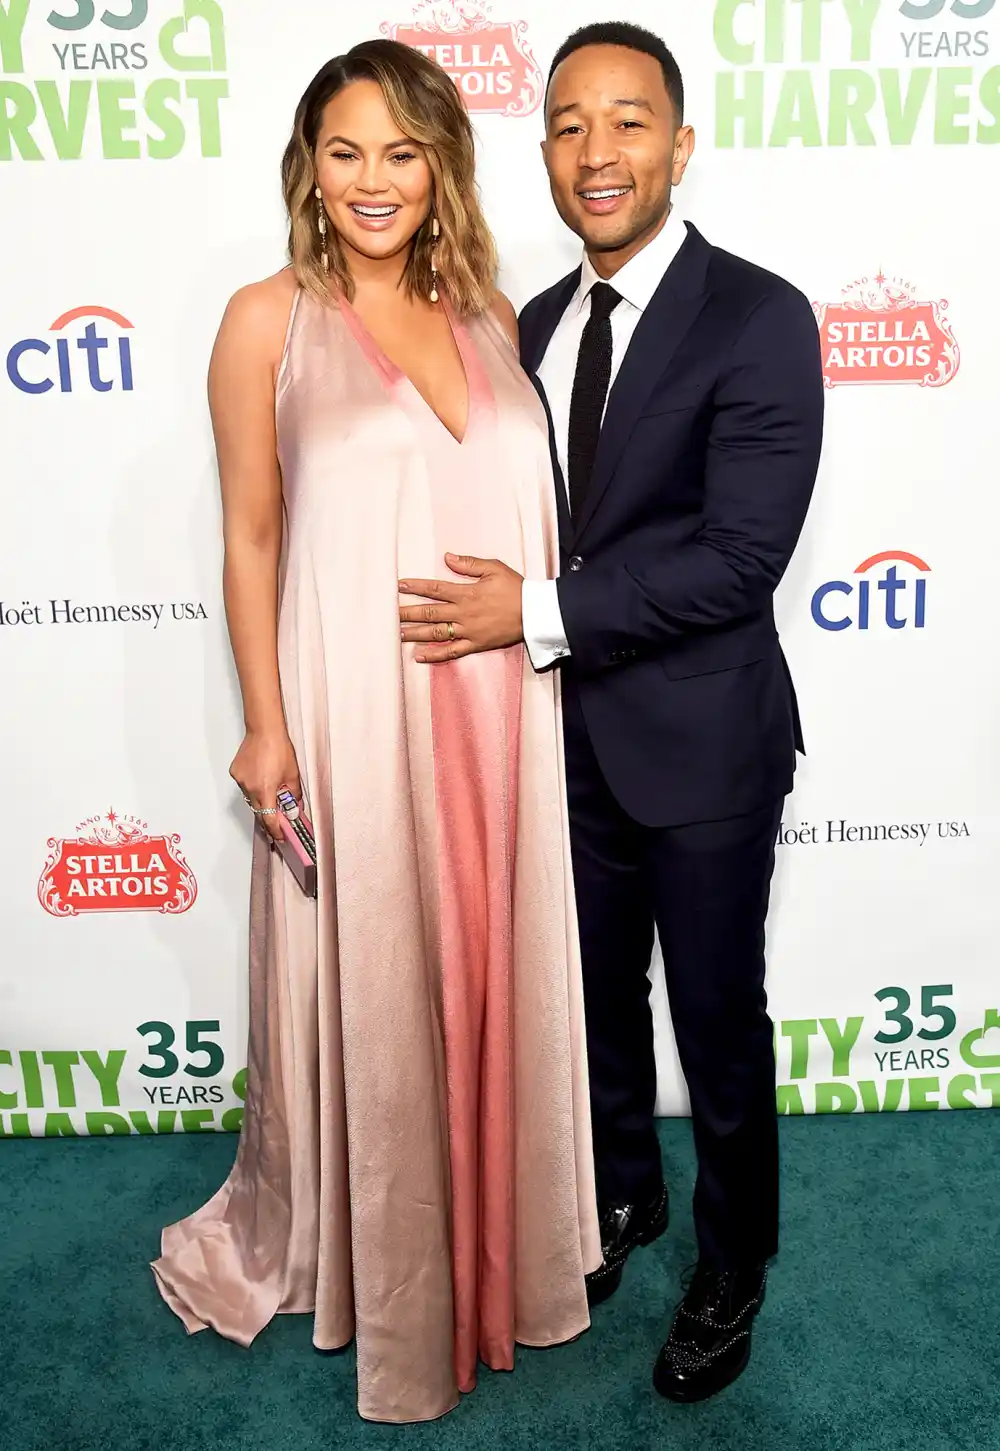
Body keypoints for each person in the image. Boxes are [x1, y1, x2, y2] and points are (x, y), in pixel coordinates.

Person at [150, 39, 600, 1425]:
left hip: (504, 715)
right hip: (354, 710)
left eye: (402, 151)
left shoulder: (494, 314)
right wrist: (265, 728)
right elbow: (250, 530)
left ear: (442, 165)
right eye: (344, 151)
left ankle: (509, 1241)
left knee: (497, 967)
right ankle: (380, 1253)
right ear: (308, 164)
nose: (373, 180)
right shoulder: (266, 318)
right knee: (383, 970)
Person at [398, 21, 824, 1404]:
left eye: (629, 122)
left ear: (680, 144)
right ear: (544, 155)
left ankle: (732, 1258)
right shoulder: (530, 325)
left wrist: (535, 610)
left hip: (701, 749)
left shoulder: (761, 314)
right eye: (572, 125)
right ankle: (621, 1202)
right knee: (589, 1009)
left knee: (715, 1015)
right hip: (559, 743)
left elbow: (739, 555)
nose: (600, 151)